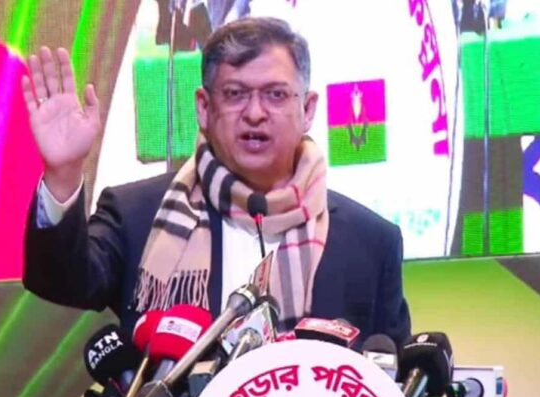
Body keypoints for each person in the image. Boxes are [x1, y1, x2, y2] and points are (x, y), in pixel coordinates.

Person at [21, 17, 411, 346]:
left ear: (307, 109)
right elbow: (61, 283)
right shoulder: (136, 215)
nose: (255, 113)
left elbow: (389, 380)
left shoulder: (371, 242)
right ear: (204, 108)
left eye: (276, 95)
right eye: (235, 94)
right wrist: (64, 172)